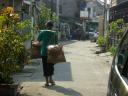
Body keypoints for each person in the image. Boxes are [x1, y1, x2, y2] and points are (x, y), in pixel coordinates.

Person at [37, 21, 58, 86]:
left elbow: (38, 40)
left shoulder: (42, 32)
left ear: (46, 26)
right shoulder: (54, 33)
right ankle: (51, 80)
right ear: (52, 26)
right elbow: (56, 43)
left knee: (45, 66)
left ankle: (46, 82)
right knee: (51, 66)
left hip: (44, 52)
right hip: (51, 52)